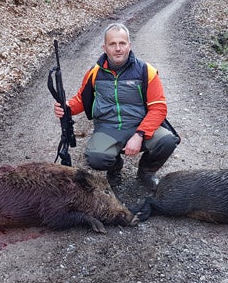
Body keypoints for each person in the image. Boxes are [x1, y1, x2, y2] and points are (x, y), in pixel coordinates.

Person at [54, 23, 180, 190]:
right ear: (104, 47)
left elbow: (159, 108)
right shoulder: (94, 73)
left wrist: (140, 134)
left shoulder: (146, 71)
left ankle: (146, 172)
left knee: (168, 140)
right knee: (96, 158)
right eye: (112, 44)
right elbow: (81, 100)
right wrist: (67, 107)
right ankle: (114, 168)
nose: (118, 48)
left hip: (139, 125)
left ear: (129, 45)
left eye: (122, 43)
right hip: (108, 127)